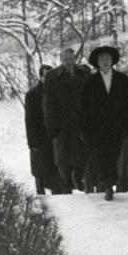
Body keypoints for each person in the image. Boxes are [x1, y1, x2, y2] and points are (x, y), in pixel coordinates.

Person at [79, 46, 128, 201]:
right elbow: (84, 107)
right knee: (100, 157)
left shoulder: (122, 79)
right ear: (97, 62)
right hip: (96, 128)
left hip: (117, 127)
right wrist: (84, 128)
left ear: (112, 61)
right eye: (102, 59)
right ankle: (107, 184)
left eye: (108, 59)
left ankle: (109, 182)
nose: (105, 62)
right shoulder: (90, 81)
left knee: (113, 155)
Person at [43, 47, 91, 193]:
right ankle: (66, 184)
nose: (68, 62)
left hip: (81, 120)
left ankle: (79, 176)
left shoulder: (84, 72)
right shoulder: (52, 76)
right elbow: (48, 102)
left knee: (83, 153)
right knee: (62, 156)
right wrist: (51, 124)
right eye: (65, 60)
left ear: (75, 59)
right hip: (62, 122)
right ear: (61, 60)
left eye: (71, 59)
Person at [25, 64, 61, 195]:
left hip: (55, 137)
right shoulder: (32, 95)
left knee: (56, 169)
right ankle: (41, 194)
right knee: (40, 170)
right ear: (41, 77)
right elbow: (29, 121)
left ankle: (59, 194)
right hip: (40, 138)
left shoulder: (58, 92)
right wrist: (33, 142)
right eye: (46, 76)